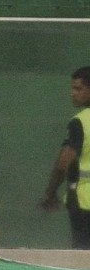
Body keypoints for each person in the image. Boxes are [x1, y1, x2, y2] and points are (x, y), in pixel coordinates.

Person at [39, 66, 90, 249]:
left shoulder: (81, 122)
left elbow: (63, 164)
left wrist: (51, 192)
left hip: (84, 203)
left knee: (83, 257)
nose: (72, 93)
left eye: (78, 88)